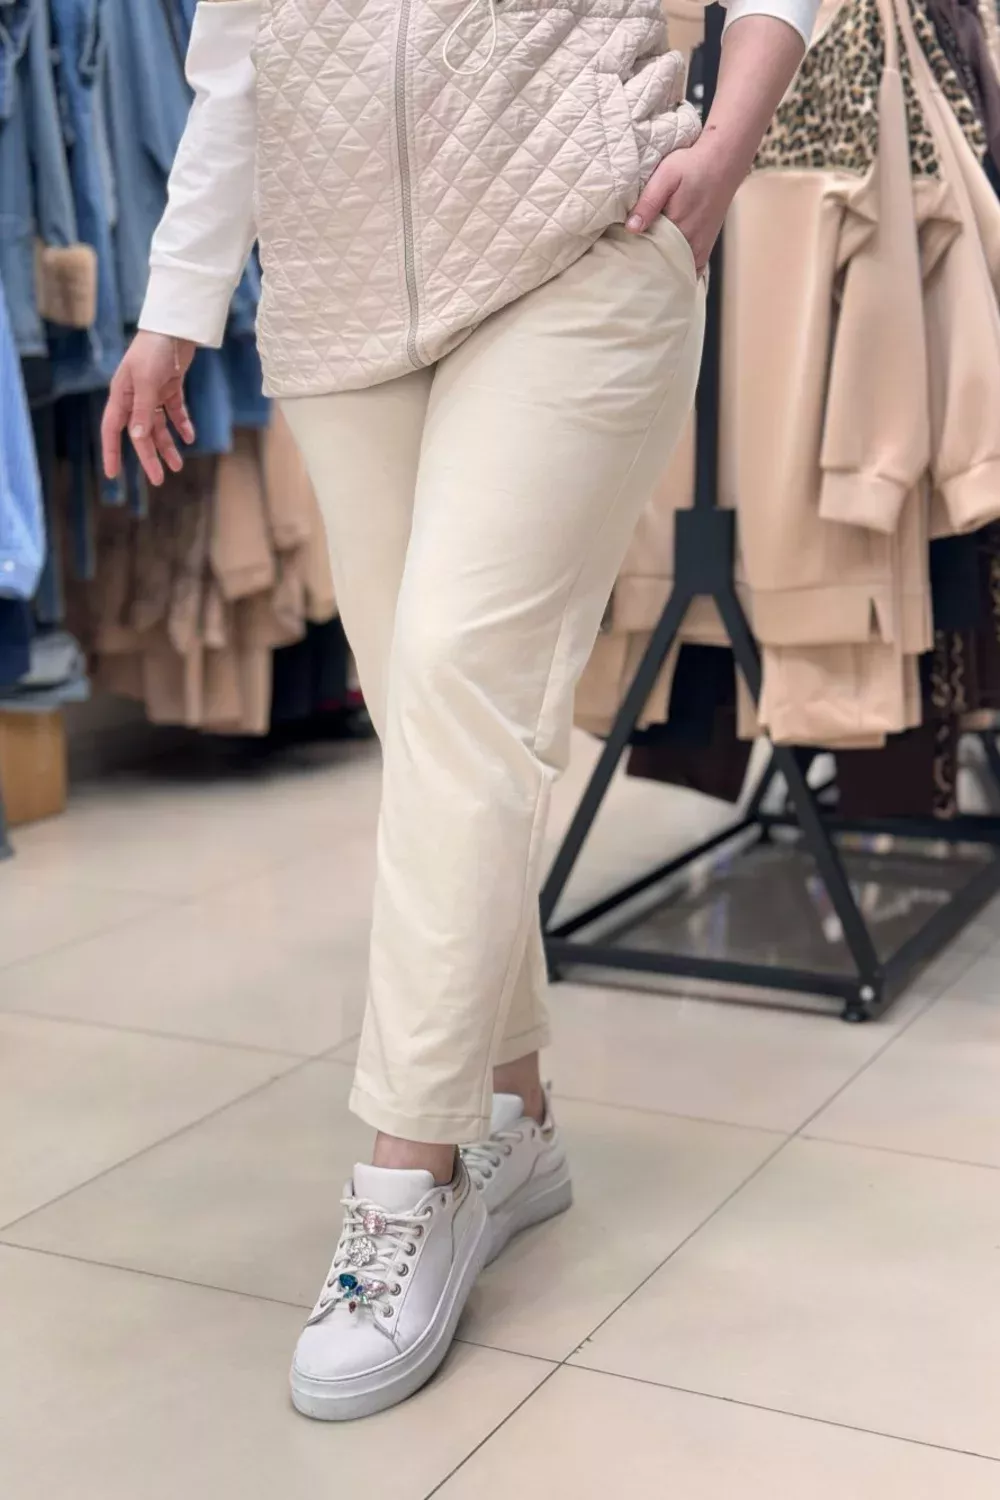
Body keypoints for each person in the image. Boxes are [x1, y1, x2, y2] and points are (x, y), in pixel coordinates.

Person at [102, 0, 817, 1422]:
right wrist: (175, 308)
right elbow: (237, 64)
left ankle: (405, 1181)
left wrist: (731, 141)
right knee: (435, 726)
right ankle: (515, 1112)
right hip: (342, 305)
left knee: (452, 676)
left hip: (581, 240)